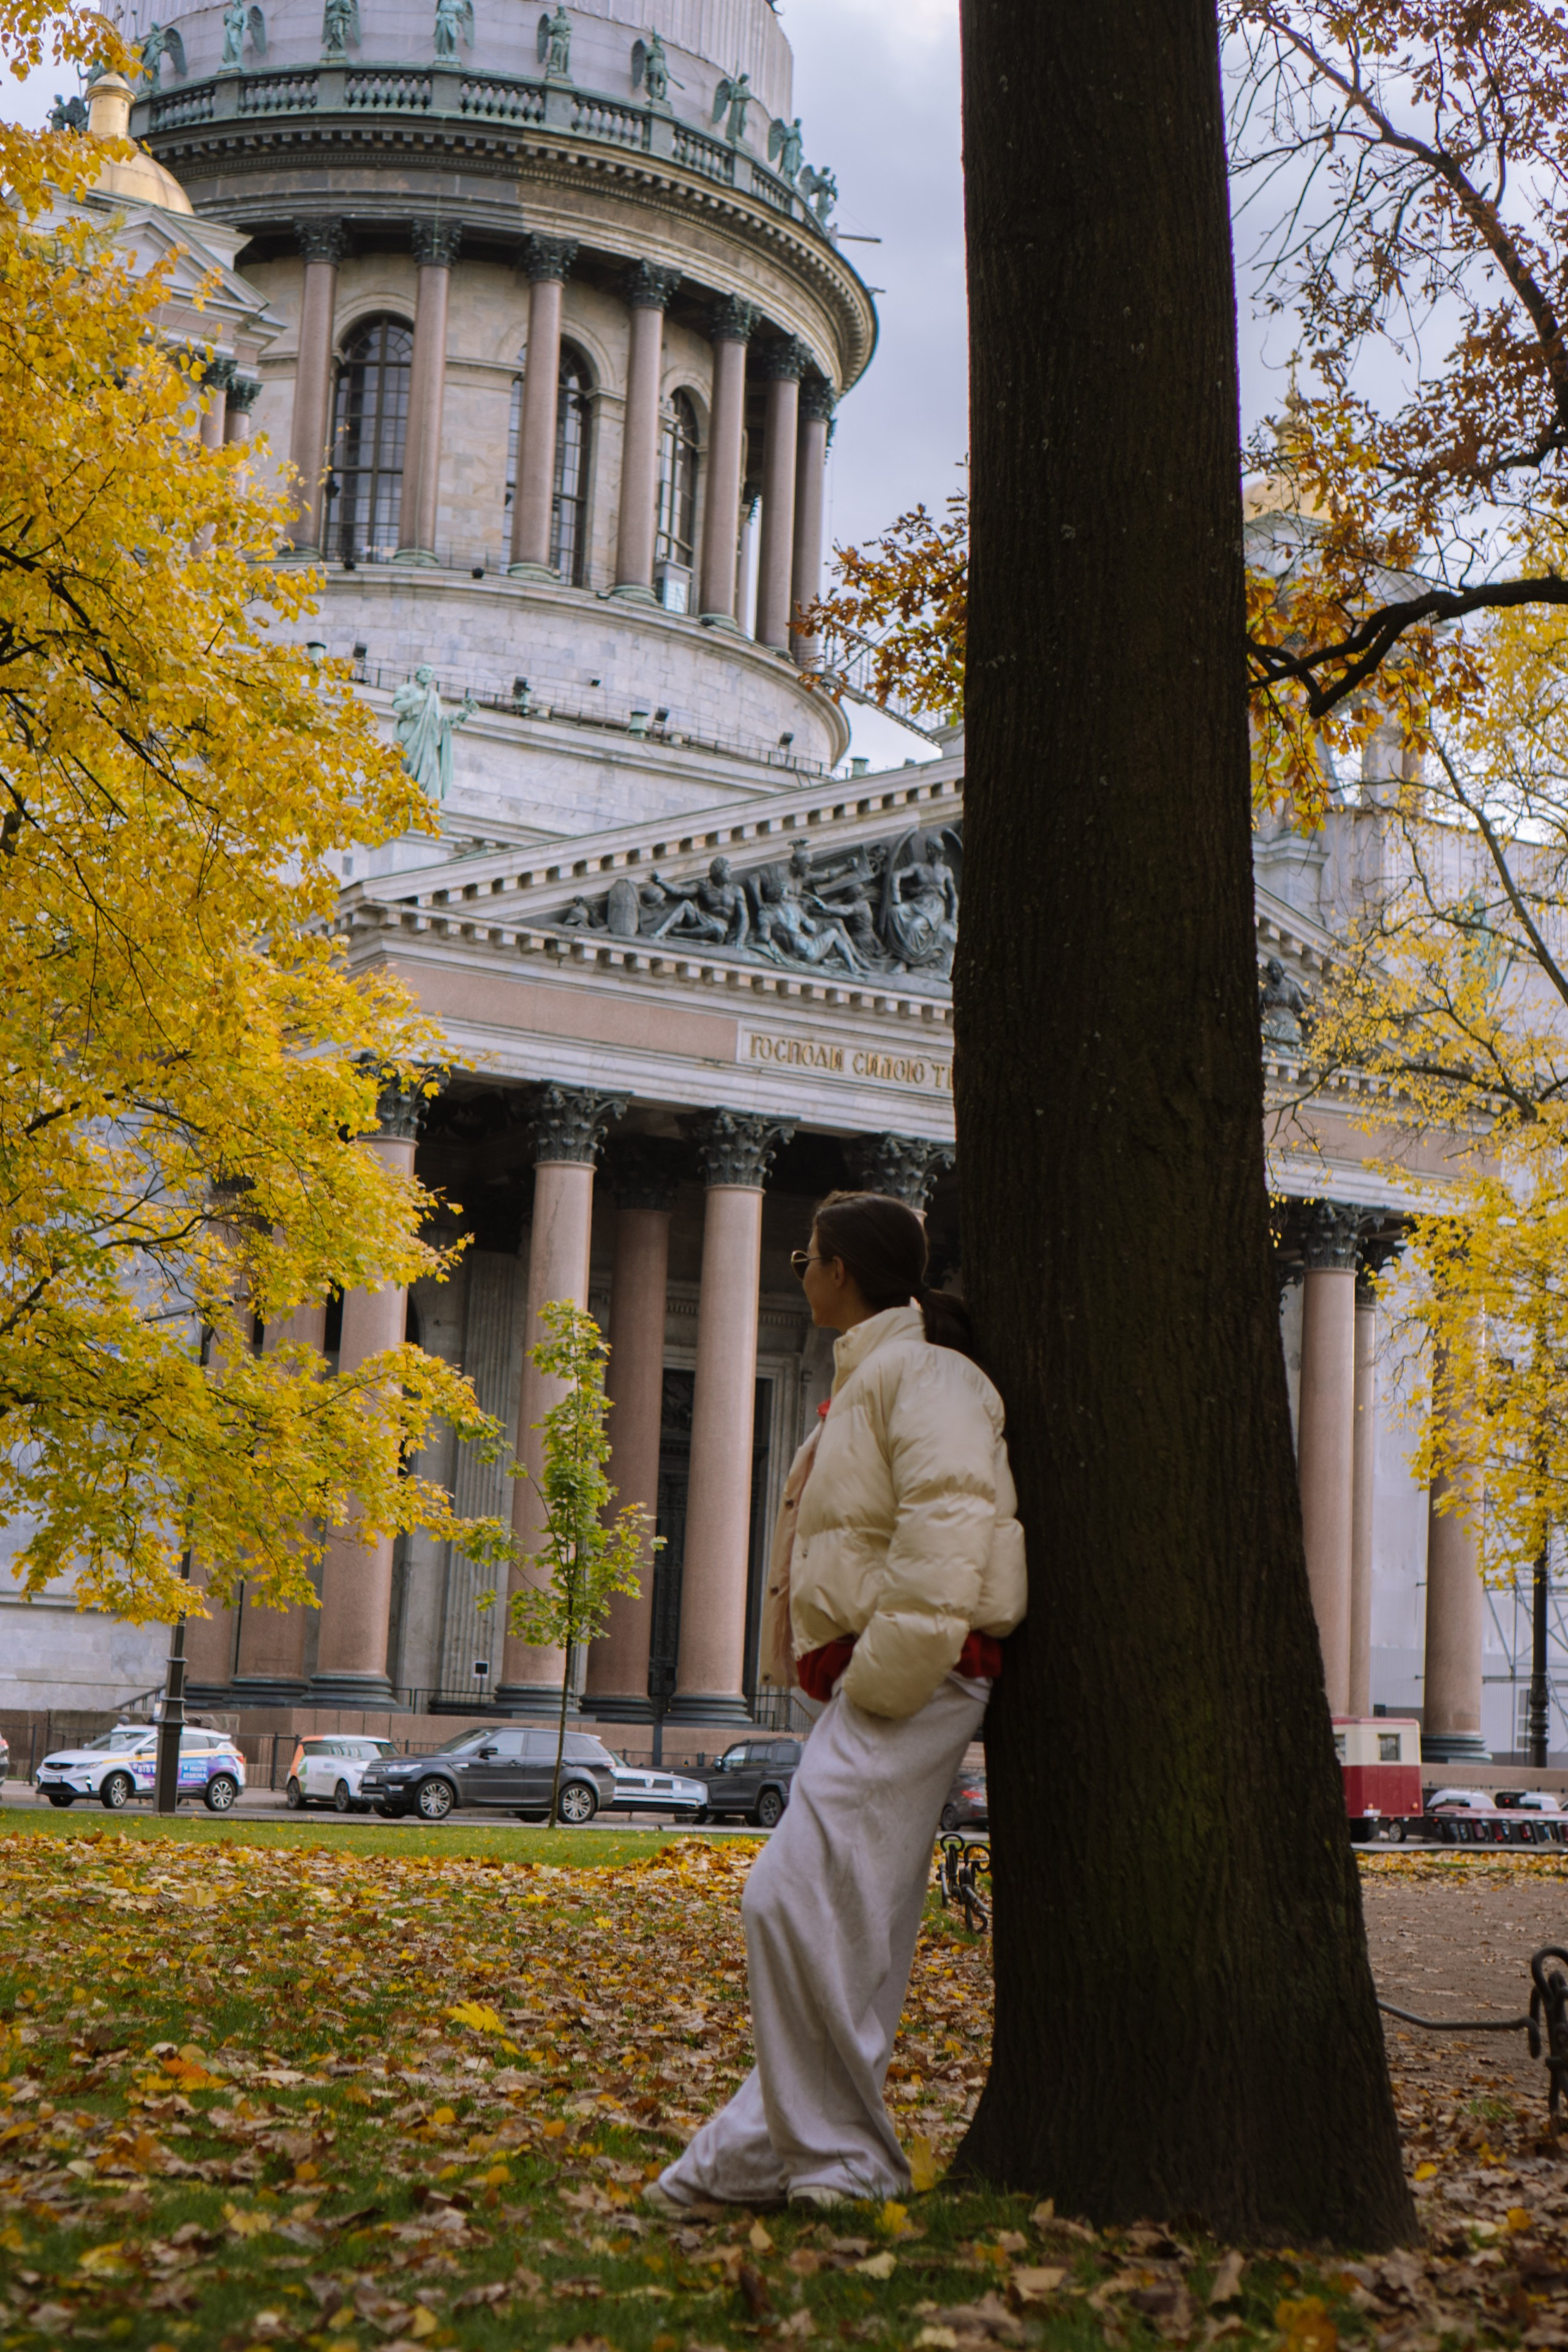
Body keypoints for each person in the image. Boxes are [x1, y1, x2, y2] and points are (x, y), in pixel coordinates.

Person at [648, 1191, 1026, 2212]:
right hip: (891, 1677)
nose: (798, 1272)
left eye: (805, 1256)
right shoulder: (880, 1373)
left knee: (784, 1904)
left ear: (844, 1269)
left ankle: (848, 2165)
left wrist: (879, 1681)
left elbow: (949, 1527)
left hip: (915, 1680)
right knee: (846, 1935)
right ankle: (747, 2159)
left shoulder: (925, 1373)